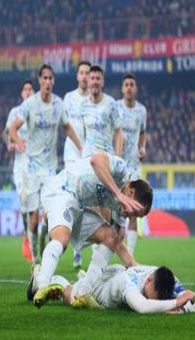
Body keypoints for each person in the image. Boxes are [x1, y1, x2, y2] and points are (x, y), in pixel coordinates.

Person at [30, 152, 152, 303]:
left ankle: (83, 293)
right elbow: (96, 160)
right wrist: (118, 194)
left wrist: (136, 267)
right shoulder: (121, 170)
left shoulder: (121, 209)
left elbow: (118, 242)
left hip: (78, 205)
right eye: (134, 211)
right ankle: (42, 285)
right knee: (62, 238)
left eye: (135, 216)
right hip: (61, 190)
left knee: (110, 237)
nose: (130, 216)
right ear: (131, 192)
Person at [9, 64, 82, 266]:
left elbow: (67, 127)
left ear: (53, 81)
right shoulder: (30, 104)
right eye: (45, 78)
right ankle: (35, 260)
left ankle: (42, 240)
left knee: (49, 219)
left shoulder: (58, 104)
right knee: (33, 218)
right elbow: (13, 127)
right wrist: (18, 141)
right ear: (40, 80)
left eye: (51, 78)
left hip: (50, 170)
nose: (48, 82)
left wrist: (80, 147)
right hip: (31, 170)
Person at [32, 264, 195, 314]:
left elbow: (191, 300)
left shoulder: (167, 278)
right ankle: (42, 279)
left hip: (116, 272)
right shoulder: (129, 283)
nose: (153, 301)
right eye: (153, 297)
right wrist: (175, 303)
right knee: (72, 296)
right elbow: (142, 306)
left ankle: (84, 277)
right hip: (104, 288)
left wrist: (182, 308)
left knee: (82, 283)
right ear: (148, 280)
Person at [63, 60, 91, 271]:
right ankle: (76, 248)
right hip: (71, 156)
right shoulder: (69, 98)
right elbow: (64, 126)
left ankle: (84, 245)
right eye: (81, 72)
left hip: (89, 158)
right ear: (77, 76)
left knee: (88, 204)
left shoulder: (95, 100)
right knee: (74, 201)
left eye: (87, 73)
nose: (84, 76)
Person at [116, 73, 147, 255]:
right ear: (122, 89)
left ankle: (131, 256)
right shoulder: (115, 108)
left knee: (133, 212)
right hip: (118, 167)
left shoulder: (141, 111)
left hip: (134, 167)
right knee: (115, 212)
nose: (129, 87)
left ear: (135, 89)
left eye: (131, 84)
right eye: (126, 84)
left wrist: (142, 147)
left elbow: (142, 132)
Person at [4, 79, 35, 263]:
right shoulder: (14, 112)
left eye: (31, 89)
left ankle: (32, 239)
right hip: (20, 164)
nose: (28, 91)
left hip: (36, 164)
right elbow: (8, 134)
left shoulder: (38, 111)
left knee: (35, 205)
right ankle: (26, 236)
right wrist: (10, 144)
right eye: (25, 89)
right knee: (24, 202)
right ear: (22, 93)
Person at [81, 65, 123, 158]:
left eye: (98, 78)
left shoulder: (111, 103)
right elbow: (83, 133)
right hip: (87, 158)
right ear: (88, 82)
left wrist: (118, 159)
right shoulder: (83, 105)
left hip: (106, 157)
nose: (95, 81)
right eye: (92, 78)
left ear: (102, 82)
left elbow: (119, 133)